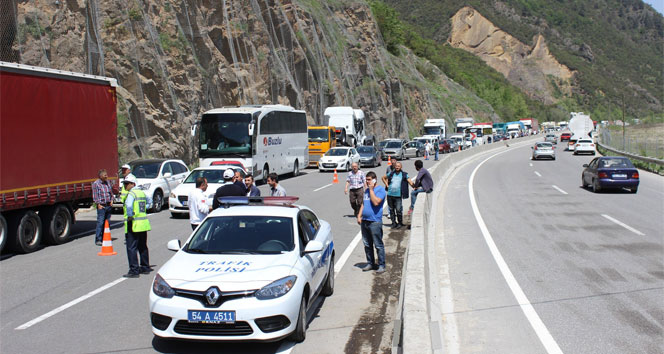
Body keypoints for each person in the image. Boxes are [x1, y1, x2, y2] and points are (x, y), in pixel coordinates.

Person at [122, 175, 152, 278]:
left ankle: (134, 270)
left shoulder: (132, 194)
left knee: (131, 248)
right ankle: (145, 267)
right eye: (124, 184)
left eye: (127, 183)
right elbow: (149, 202)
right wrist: (143, 210)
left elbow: (129, 206)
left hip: (134, 223)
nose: (125, 185)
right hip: (143, 224)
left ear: (133, 184)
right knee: (142, 246)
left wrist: (130, 215)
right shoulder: (141, 193)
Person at [357, 172, 386, 273]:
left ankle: (382, 264)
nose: (367, 181)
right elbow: (364, 204)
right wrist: (359, 215)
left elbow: (376, 202)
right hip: (365, 221)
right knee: (367, 244)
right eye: (366, 180)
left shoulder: (380, 190)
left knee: (378, 245)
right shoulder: (366, 191)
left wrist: (371, 189)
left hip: (375, 222)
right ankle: (370, 263)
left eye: (369, 179)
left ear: (374, 179)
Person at [381, 162, 409, 229]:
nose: (397, 167)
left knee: (398, 209)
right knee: (391, 210)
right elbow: (383, 177)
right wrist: (387, 185)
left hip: (398, 195)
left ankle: (400, 223)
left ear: (401, 167)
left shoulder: (404, 174)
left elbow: (409, 181)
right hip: (390, 194)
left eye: (398, 166)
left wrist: (414, 186)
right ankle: (393, 223)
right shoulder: (391, 174)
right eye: (396, 166)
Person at [92, 169, 114, 246]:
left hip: (108, 206)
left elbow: (111, 192)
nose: (106, 176)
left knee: (107, 223)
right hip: (102, 206)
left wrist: (111, 200)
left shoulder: (108, 182)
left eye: (106, 175)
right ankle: (98, 239)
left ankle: (106, 237)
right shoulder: (96, 184)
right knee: (100, 223)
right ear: (101, 176)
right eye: (105, 175)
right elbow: (95, 196)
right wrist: (98, 204)